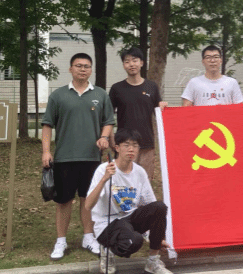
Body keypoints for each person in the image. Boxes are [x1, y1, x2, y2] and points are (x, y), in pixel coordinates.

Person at [42, 53, 115, 260]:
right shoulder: (58, 96)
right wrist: (46, 151)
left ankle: (88, 236)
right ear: (70, 69)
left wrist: (104, 137)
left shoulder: (100, 94)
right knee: (64, 201)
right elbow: (47, 125)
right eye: (79, 66)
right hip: (64, 157)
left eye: (87, 66)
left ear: (91, 70)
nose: (83, 69)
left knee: (87, 199)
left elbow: (108, 121)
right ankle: (61, 240)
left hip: (92, 158)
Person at [86, 128, 173, 274]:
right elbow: (88, 205)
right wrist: (104, 179)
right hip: (107, 224)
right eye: (126, 145)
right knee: (135, 241)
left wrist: (157, 237)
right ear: (117, 148)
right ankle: (107, 250)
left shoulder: (139, 172)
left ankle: (152, 262)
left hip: (129, 218)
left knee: (160, 207)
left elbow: (151, 206)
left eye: (135, 145)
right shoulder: (103, 170)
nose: (131, 149)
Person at [109, 47, 167, 180]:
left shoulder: (151, 87)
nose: (131, 64)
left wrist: (163, 107)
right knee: (124, 181)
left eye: (134, 60)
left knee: (145, 181)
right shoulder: (117, 88)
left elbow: (159, 112)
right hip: (124, 144)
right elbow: (108, 116)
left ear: (141, 63)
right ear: (123, 65)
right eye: (127, 61)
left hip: (147, 144)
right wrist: (112, 139)